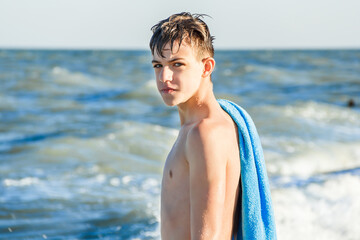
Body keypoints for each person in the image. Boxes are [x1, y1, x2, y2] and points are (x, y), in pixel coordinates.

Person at [149, 12, 241, 240]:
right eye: (158, 65)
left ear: (206, 67)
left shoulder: (204, 133)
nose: (164, 77)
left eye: (177, 64)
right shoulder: (195, 129)